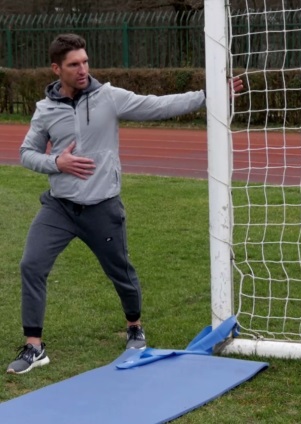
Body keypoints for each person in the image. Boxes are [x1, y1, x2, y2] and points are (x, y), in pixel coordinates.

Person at [7, 33, 243, 375]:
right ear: (57, 68)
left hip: (102, 207)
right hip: (58, 207)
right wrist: (57, 162)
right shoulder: (45, 110)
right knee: (31, 264)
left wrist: (208, 96)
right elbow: (26, 153)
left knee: (120, 271)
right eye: (74, 64)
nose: (83, 69)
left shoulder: (109, 98)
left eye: (85, 61)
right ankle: (34, 347)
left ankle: (134, 326)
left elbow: (159, 105)